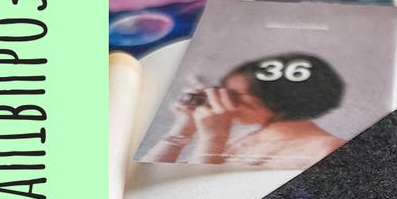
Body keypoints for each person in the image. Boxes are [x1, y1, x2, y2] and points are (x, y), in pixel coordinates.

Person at [146, 53, 345, 167]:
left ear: (281, 99)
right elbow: (149, 176)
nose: (220, 99)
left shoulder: (327, 150)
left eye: (233, 95)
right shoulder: (248, 136)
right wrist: (183, 128)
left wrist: (213, 139)